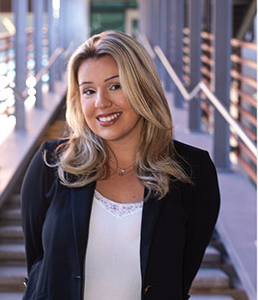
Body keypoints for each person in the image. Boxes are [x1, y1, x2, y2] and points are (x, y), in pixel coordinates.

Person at [21, 30, 220, 300]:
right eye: (88, 91)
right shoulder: (51, 163)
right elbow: (37, 262)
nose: (101, 103)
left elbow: (180, 276)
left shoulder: (192, 171)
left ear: (143, 87)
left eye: (115, 86)